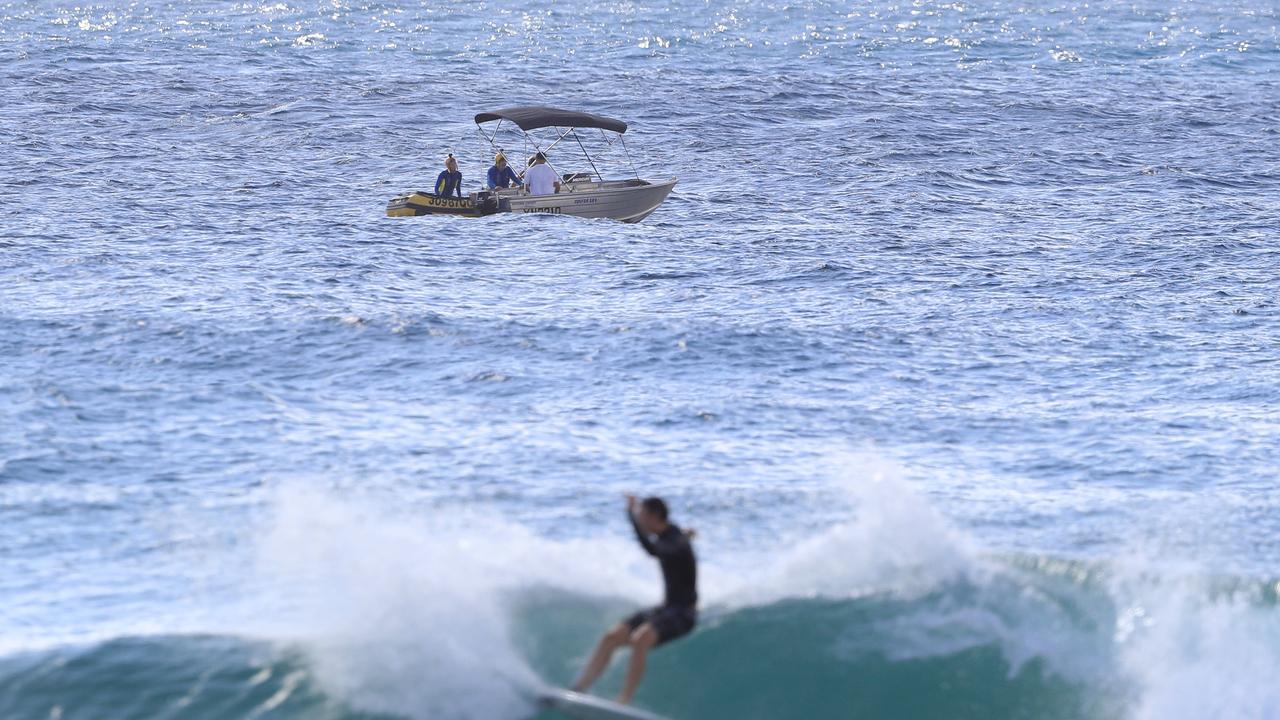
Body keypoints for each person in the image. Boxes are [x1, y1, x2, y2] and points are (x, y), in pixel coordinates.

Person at [571, 495, 697, 705]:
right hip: (667, 608)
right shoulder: (671, 536)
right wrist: (632, 514)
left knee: (641, 638)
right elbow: (656, 547)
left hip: (684, 613)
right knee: (612, 637)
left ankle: (623, 700)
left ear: (654, 516)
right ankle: (579, 688)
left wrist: (631, 515)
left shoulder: (675, 539)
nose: (639, 521)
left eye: (641, 516)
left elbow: (658, 550)